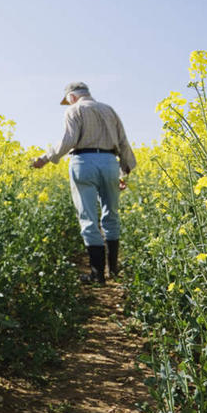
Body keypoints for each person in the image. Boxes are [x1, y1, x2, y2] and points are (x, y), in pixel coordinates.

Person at [31, 82, 136, 283]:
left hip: (84, 162)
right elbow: (123, 141)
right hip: (109, 162)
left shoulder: (74, 110)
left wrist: (45, 158)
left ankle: (97, 275)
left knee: (88, 217)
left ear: (71, 97)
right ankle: (113, 270)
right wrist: (124, 173)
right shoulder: (109, 110)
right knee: (111, 214)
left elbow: (68, 140)